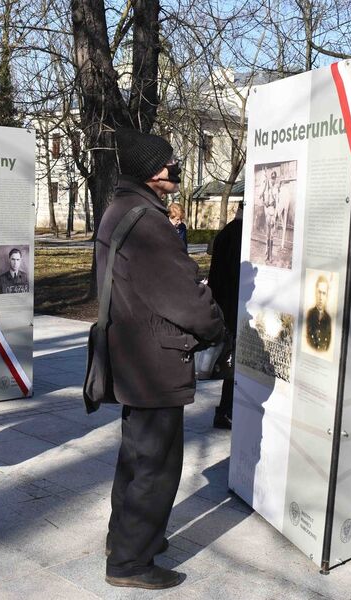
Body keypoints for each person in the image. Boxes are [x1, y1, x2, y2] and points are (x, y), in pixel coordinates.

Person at [97, 128, 226, 590]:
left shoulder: (119, 209)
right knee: (157, 464)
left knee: (136, 457)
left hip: (133, 356)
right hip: (154, 361)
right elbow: (182, 296)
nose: (177, 168)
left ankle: (126, 539)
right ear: (154, 171)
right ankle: (130, 563)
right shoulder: (147, 222)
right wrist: (216, 325)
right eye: (170, 162)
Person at [207, 202, 243, 429]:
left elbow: (215, 277)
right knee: (234, 362)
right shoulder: (242, 236)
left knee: (230, 360)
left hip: (224, 306)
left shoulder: (225, 234)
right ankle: (226, 410)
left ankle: (225, 409)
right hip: (237, 306)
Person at [306, 275, 332, 351]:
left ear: (327, 296)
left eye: (324, 293)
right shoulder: (309, 314)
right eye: (319, 292)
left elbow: (327, 345)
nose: (321, 297)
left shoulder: (328, 319)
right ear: (315, 293)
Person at [261, 170, 280, 262]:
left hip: (273, 212)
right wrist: (265, 203)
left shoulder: (276, 189)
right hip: (267, 212)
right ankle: (266, 254)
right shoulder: (267, 190)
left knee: (271, 235)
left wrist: (274, 205)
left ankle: (270, 256)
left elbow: (277, 202)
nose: (273, 179)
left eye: (274, 177)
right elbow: (263, 201)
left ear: (275, 179)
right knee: (267, 235)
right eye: (272, 177)